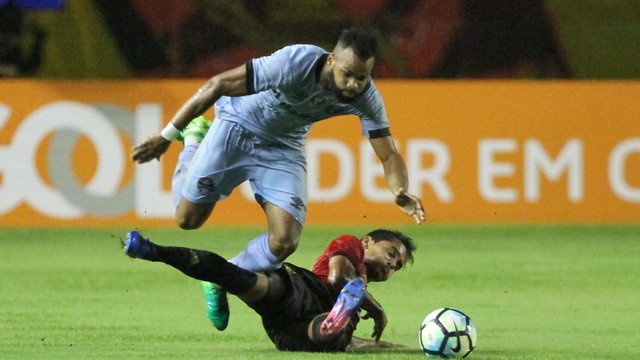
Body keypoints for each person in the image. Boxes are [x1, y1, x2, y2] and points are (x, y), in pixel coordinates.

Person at [130, 28, 425, 331]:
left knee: (285, 240)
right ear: (331, 60)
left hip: (282, 148)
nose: (353, 84)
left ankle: (223, 275)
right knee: (187, 220)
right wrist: (166, 136)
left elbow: (389, 155)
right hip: (236, 126)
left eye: (361, 77)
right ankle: (193, 139)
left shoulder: (366, 96)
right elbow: (218, 83)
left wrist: (400, 190)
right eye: (347, 74)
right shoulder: (295, 62)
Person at [122, 228, 416, 352]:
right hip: (309, 290)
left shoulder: (359, 290)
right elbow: (338, 278)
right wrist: (374, 307)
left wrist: (379, 346)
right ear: (367, 242)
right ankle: (154, 250)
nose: (392, 264)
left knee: (334, 334)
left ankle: (330, 327)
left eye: (398, 266)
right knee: (238, 277)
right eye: (391, 253)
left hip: (287, 325)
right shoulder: (350, 244)